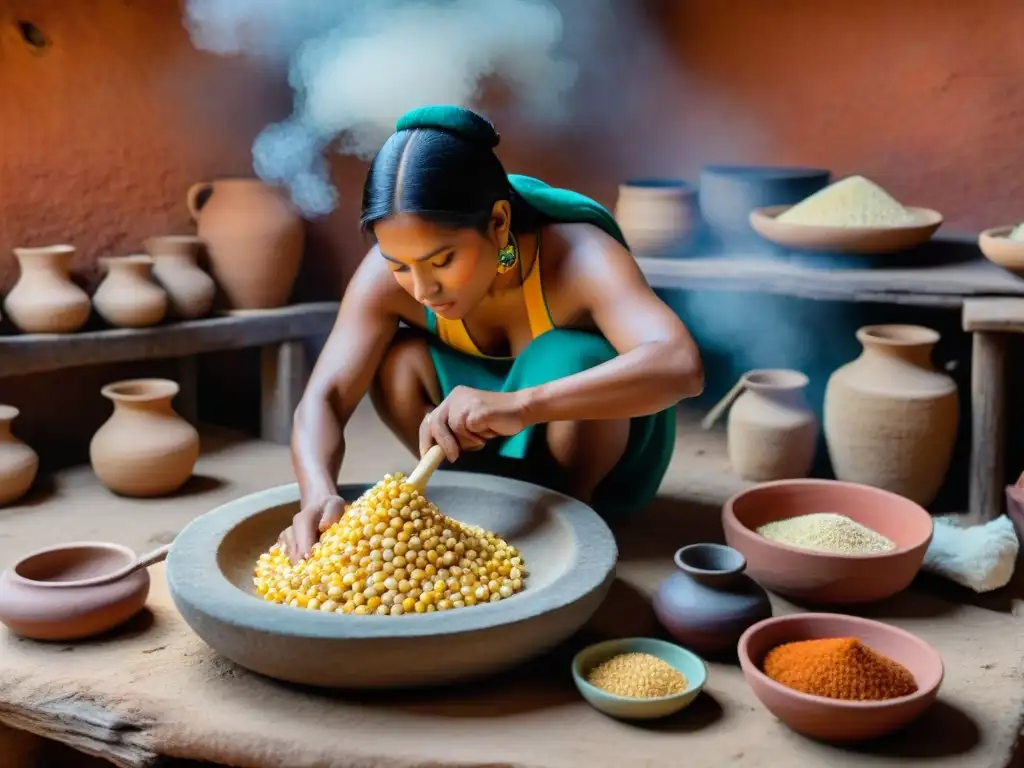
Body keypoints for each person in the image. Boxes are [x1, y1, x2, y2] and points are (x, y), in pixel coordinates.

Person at [280, 105, 704, 562]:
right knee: (396, 361)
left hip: (583, 449)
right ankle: (471, 497)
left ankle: (569, 518)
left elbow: (681, 366)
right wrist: (318, 492)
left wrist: (520, 406)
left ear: (498, 222)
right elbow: (324, 396)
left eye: (442, 260)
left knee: (573, 355)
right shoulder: (388, 277)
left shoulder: (579, 258)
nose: (423, 290)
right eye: (399, 265)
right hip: (472, 444)